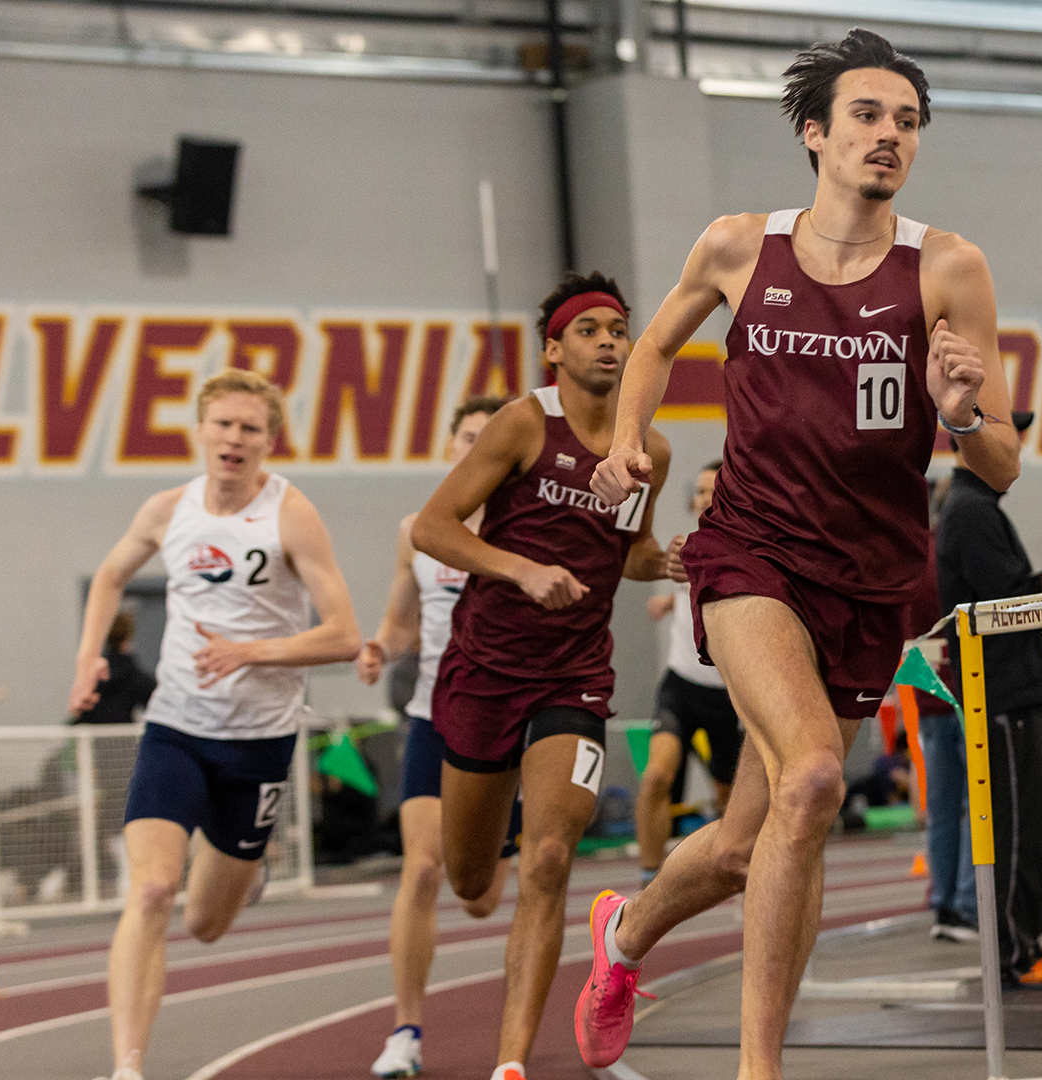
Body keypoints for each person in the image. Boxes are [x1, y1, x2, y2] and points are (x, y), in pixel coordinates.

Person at [578, 28, 1022, 1077]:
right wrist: (628, 437)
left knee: (751, 842)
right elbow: (654, 344)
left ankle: (624, 935)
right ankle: (760, 1068)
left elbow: (999, 465)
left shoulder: (948, 266)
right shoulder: (740, 244)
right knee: (815, 778)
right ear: (815, 133)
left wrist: (958, 415)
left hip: (871, 578)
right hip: (752, 553)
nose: (890, 137)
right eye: (868, 116)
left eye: (908, 122)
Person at [412, 272, 677, 1080]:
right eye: (589, 329)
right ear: (555, 350)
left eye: (618, 328)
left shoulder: (649, 449)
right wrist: (521, 570)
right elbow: (432, 527)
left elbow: (631, 554)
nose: (608, 340)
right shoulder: (523, 424)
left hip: (575, 676)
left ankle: (512, 1065)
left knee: (551, 858)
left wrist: (675, 563)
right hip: (486, 670)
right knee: (469, 879)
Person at [68, 369, 363, 1080]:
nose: (234, 440)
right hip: (176, 731)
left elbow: (345, 636)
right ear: (199, 429)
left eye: (249, 428)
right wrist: (87, 658)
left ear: (270, 439)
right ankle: (128, 1067)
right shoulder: (168, 509)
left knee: (204, 924)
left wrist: (252, 651)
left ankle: (247, 870)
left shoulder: (291, 515)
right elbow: (109, 576)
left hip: (258, 744)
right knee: (150, 891)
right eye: (223, 425)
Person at [355, 395, 515, 1079]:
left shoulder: (523, 529)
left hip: (504, 719)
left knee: (479, 898)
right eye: (468, 437)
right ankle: (405, 1032)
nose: (478, 448)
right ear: (450, 446)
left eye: (491, 440)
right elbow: (401, 623)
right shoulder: (415, 528)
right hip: (431, 713)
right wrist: (377, 649)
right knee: (420, 870)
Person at [935, 412, 1042, 989]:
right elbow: (1004, 604)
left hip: (1014, 691)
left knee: (1036, 823)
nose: (1016, 445)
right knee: (1022, 827)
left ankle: (1022, 945)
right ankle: (1016, 952)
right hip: (1004, 695)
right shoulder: (970, 512)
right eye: (1008, 434)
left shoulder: (978, 509)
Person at [637, 461, 743, 884]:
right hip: (681, 685)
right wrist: (670, 599)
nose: (703, 499)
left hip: (730, 694)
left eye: (712, 491)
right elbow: (682, 581)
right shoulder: (685, 546)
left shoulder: (745, 549)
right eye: (698, 492)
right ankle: (649, 878)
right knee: (656, 776)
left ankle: (731, 872)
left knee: (728, 796)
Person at [71, 611, 157, 725]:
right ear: (128, 636)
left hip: (93, 739)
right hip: (123, 739)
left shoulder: (95, 678)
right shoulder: (134, 676)